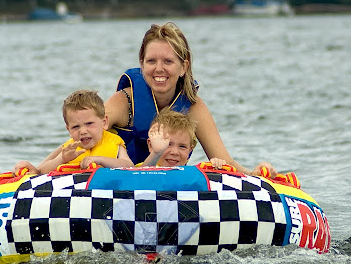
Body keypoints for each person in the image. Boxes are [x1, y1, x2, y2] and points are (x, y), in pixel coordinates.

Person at [104, 22, 276, 176]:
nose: (159, 68)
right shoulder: (124, 102)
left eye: (168, 61)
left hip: (171, 185)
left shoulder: (192, 106)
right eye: (151, 61)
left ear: (183, 67)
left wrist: (256, 173)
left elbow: (225, 162)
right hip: (119, 183)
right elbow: (89, 130)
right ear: (142, 65)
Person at [13, 90, 133, 174]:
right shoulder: (70, 148)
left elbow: (129, 166)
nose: (83, 131)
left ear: (104, 122)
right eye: (76, 127)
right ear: (68, 130)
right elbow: (43, 171)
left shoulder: (114, 142)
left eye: (89, 124)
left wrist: (100, 160)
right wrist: (61, 159)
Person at [139, 109, 228, 168]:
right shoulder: (142, 169)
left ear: (190, 150)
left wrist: (216, 167)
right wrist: (156, 154)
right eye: (167, 144)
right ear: (151, 145)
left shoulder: (191, 174)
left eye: (182, 146)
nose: (175, 152)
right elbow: (141, 177)